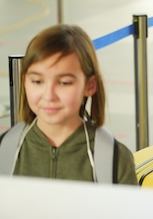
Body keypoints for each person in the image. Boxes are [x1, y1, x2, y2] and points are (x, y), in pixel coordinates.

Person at [0, 24, 137, 184]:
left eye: (64, 83)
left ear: (90, 86)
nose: (49, 95)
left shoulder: (114, 159)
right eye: (37, 81)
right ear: (24, 81)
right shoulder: (5, 150)